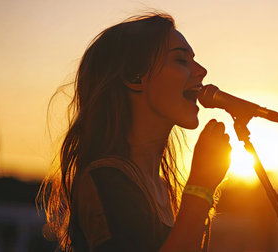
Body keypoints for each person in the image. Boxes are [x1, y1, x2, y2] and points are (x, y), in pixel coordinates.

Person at [38, 13, 232, 252]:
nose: (201, 71)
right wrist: (200, 187)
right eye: (181, 60)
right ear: (134, 76)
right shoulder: (106, 179)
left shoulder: (161, 189)